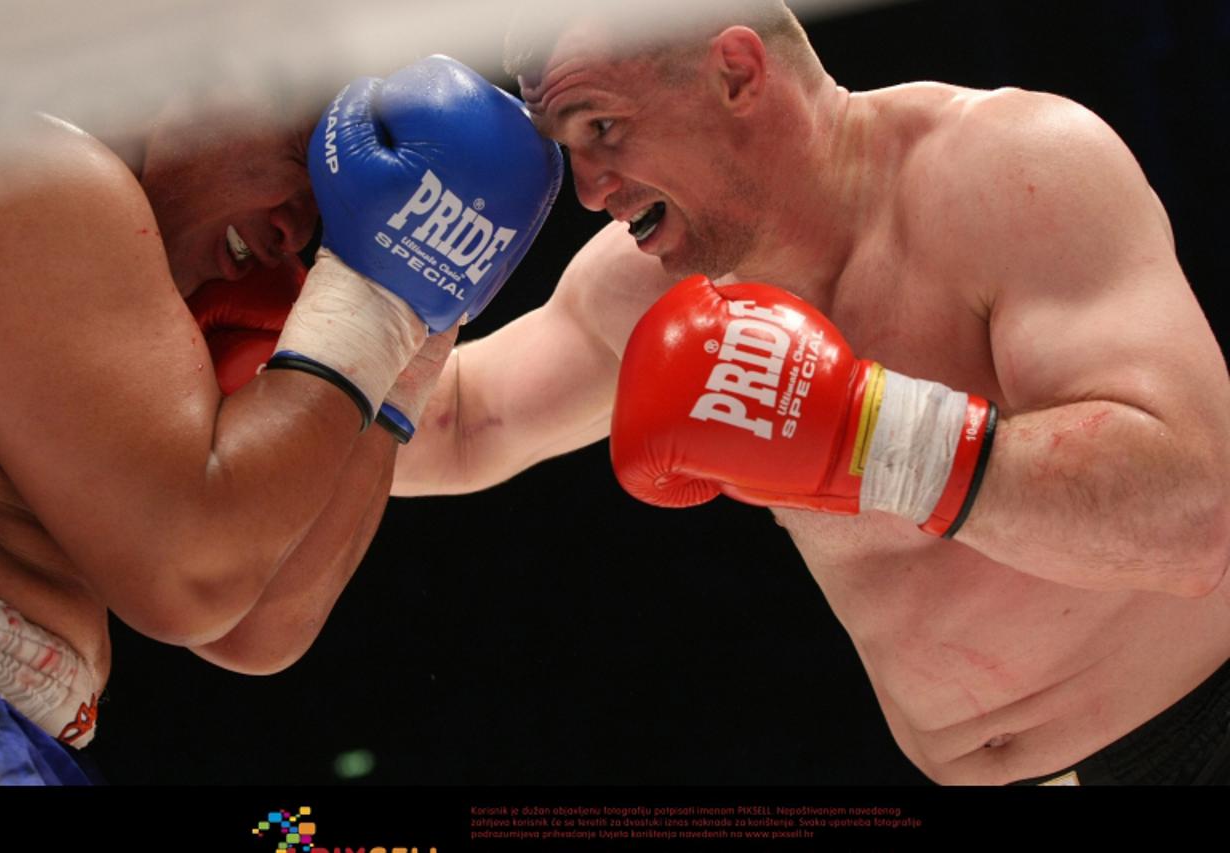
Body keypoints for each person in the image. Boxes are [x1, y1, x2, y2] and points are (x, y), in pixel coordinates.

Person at [391, 2, 1230, 785]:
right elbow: (463, 420)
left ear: (737, 74)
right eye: (568, 149)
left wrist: (871, 432)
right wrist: (350, 315)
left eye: (604, 128)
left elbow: (1196, 515)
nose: (587, 189)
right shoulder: (644, 286)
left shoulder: (1009, 167)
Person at [0, 55, 562, 784]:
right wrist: (373, 305)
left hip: (11, 725)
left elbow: (260, 622)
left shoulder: (167, 295)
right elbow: (190, 576)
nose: (298, 230)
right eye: (305, 154)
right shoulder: (28, 164)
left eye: (333, 206)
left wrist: (414, 319)